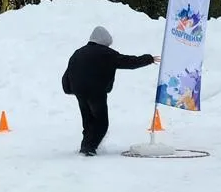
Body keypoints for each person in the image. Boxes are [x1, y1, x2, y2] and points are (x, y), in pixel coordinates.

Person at [61, 25, 157, 156]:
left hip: (80, 92)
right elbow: (129, 62)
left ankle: (86, 146)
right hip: (96, 92)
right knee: (101, 122)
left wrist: (69, 88)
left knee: (88, 121)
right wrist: (148, 58)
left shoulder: (78, 53)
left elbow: (67, 74)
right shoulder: (106, 53)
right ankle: (89, 148)